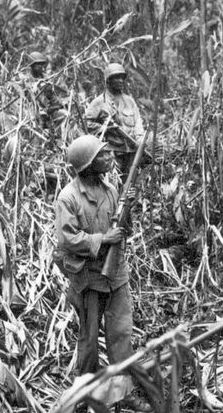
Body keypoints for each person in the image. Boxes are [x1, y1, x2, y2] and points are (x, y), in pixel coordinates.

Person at [54, 134, 151, 412]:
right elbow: (66, 240)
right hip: (88, 278)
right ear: (87, 165)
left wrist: (127, 208)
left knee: (121, 337)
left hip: (116, 274)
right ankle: (86, 395)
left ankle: (122, 393)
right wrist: (101, 240)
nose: (109, 158)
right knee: (89, 344)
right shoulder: (68, 197)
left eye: (108, 154)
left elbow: (122, 230)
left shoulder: (111, 190)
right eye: (102, 156)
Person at [85, 63, 144, 181]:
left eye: (122, 77)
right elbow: (87, 124)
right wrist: (106, 128)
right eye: (116, 77)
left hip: (131, 150)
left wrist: (140, 141)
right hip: (111, 153)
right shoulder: (99, 102)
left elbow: (138, 123)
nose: (120, 80)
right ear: (108, 80)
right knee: (113, 184)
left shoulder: (129, 101)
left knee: (130, 184)